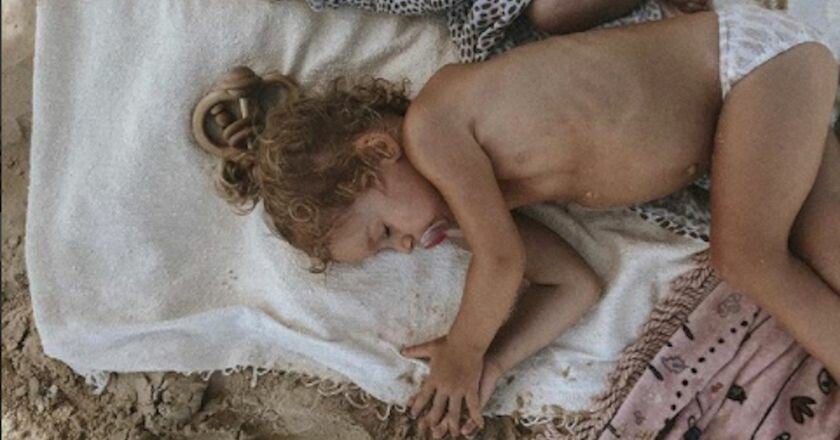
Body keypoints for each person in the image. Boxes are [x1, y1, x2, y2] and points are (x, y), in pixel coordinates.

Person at [215, 3, 840, 438]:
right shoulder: (474, 214)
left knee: (747, 258)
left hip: (744, 68)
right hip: (751, 117)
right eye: (385, 252)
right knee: (826, 261)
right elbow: (571, 285)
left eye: (382, 232)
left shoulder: (435, 126)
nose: (405, 248)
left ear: (377, 153)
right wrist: (492, 361)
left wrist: (462, 350)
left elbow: (503, 263)